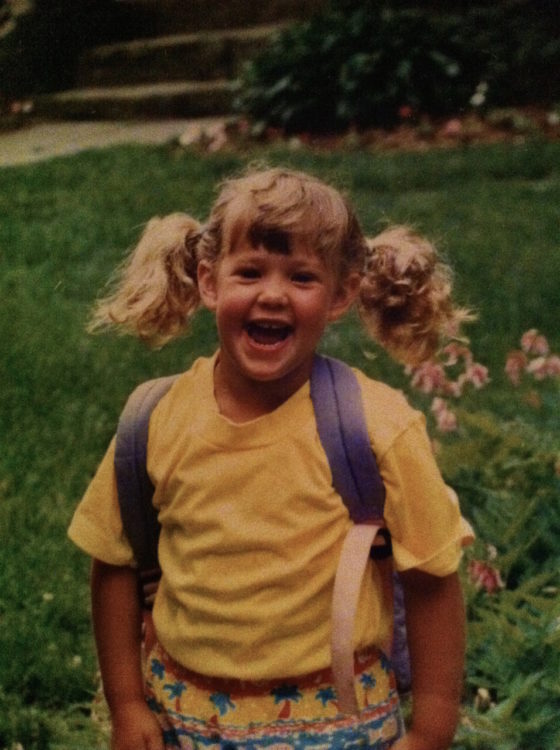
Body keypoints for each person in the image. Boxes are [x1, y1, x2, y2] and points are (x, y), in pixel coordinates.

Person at [68, 166, 474, 750]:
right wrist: (127, 703)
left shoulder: (376, 426)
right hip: (183, 716)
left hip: (339, 724)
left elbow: (433, 579)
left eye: (303, 277)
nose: (272, 294)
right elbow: (115, 563)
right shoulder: (156, 419)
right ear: (209, 281)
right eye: (250, 271)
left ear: (341, 294)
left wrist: (431, 730)